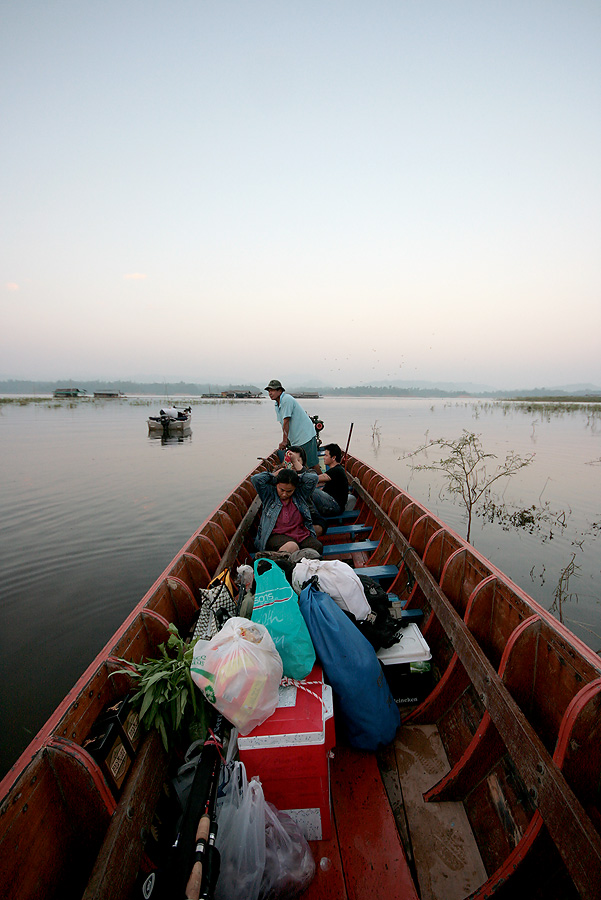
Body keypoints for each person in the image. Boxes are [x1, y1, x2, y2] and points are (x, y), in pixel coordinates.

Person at [251, 466, 323, 554]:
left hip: (299, 534)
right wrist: (274, 475)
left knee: (316, 547)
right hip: (276, 535)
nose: (284, 494)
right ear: (276, 485)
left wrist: (295, 476)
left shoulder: (300, 494)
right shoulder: (269, 495)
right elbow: (256, 479)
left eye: (289, 491)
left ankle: (294, 561)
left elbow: (314, 478)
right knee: (292, 546)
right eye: (281, 490)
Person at [264, 379, 321, 473]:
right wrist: (287, 441)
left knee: (311, 463)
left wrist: (284, 441)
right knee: (297, 463)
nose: (270, 393)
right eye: (269, 391)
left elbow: (286, 421)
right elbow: (283, 424)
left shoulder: (286, 400)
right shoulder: (277, 404)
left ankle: (322, 481)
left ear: (280, 391)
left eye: (273, 390)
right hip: (295, 439)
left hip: (305, 436)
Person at [312, 443, 349, 520]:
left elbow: (316, 478)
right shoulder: (335, 470)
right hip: (332, 503)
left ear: (333, 458)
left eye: (326, 455)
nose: (324, 458)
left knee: (312, 492)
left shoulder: (337, 470)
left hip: (335, 507)